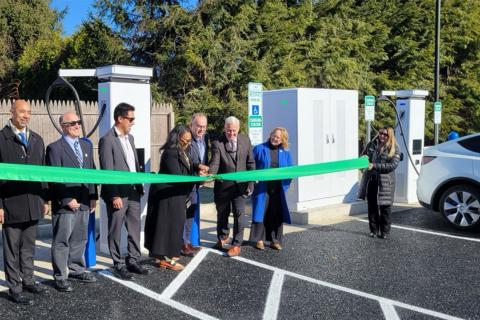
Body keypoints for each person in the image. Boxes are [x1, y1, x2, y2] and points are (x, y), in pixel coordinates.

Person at [0, 99, 49, 305]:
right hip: (11, 203)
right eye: (22, 111)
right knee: (12, 249)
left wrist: (45, 198)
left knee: (28, 247)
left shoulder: (37, 139)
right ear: (11, 112)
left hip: (34, 203)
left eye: (29, 112)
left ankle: (28, 280)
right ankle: (15, 287)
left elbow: (43, 173)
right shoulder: (1, 139)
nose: (26, 115)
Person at [46, 112, 98, 292]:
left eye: (78, 122)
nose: (78, 125)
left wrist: (93, 196)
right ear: (63, 126)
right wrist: (67, 199)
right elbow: (54, 178)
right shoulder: (54, 148)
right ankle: (60, 276)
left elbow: (92, 171)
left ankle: (76, 269)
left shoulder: (86, 145)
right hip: (66, 204)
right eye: (73, 123)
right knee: (62, 241)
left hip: (84, 201)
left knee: (80, 238)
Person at [99, 102, 151, 280]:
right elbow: (107, 171)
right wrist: (114, 195)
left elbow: (134, 165)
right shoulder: (107, 140)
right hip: (118, 194)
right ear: (120, 118)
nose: (133, 122)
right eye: (131, 119)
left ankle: (133, 260)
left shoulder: (131, 138)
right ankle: (118, 264)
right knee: (115, 229)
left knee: (134, 227)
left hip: (133, 191)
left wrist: (139, 185)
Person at [145, 125, 207, 270]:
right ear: (176, 138)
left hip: (176, 195)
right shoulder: (170, 153)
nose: (187, 144)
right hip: (167, 196)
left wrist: (198, 167)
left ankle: (165, 256)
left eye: (189, 141)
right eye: (184, 141)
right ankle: (164, 258)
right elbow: (178, 177)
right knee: (166, 227)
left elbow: (189, 164)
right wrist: (198, 178)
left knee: (174, 225)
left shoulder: (182, 151)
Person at [209, 116, 255, 257]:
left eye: (234, 131)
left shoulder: (245, 140)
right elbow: (215, 161)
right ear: (225, 129)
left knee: (239, 215)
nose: (231, 133)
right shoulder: (217, 142)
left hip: (240, 186)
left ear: (238, 129)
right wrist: (210, 174)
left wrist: (251, 183)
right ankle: (223, 238)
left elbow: (250, 163)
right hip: (222, 187)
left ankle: (236, 244)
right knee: (222, 214)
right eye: (229, 131)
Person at [249, 127, 293, 251]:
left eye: (278, 137)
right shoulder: (259, 148)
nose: (275, 138)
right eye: (273, 135)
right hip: (262, 188)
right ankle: (259, 240)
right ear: (270, 135)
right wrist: (253, 181)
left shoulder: (286, 152)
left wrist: (285, 186)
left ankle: (275, 240)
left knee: (275, 214)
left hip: (278, 189)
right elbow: (251, 165)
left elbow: (290, 170)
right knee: (261, 213)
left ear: (282, 140)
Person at [359, 127, 400, 239]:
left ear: (390, 136)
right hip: (372, 179)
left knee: (385, 207)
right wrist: (364, 158)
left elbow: (392, 165)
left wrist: (375, 166)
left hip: (386, 182)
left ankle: (385, 232)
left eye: (385, 134)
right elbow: (363, 157)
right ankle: (373, 230)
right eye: (381, 133)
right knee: (372, 206)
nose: (382, 136)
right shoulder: (371, 144)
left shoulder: (394, 148)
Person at [182, 113, 209, 256]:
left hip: (196, 185)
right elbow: (185, 162)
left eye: (204, 127)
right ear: (191, 125)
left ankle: (187, 242)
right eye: (198, 126)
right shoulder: (186, 139)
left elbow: (204, 159)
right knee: (184, 216)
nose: (201, 129)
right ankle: (183, 244)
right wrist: (197, 172)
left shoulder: (205, 138)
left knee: (191, 215)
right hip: (185, 184)